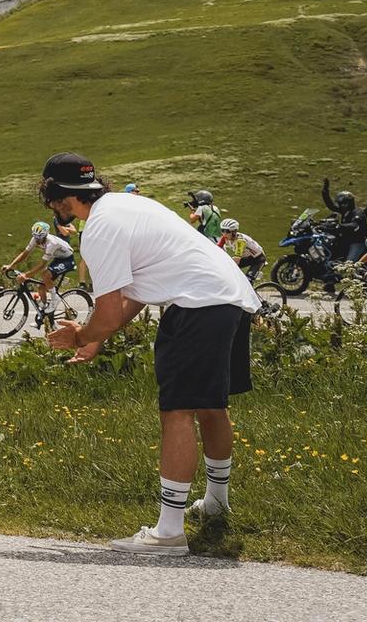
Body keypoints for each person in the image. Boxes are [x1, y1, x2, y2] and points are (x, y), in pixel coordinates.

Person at [40, 152, 260, 557]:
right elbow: (134, 295)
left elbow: (106, 312)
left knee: (177, 412)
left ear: (59, 198)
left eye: (52, 202)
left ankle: (169, 532)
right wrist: (97, 339)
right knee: (211, 406)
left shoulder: (100, 228)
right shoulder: (129, 205)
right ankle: (215, 503)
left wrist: (81, 335)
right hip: (230, 296)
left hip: (195, 304)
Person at [5, 221, 78, 310]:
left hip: (67, 259)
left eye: (40, 238)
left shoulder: (52, 243)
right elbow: (25, 253)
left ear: (45, 235)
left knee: (45, 275)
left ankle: (55, 299)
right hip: (57, 258)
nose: (37, 240)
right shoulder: (35, 239)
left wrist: (26, 275)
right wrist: (11, 265)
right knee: (41, 288)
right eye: (35, 237)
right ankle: (44, 313)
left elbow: (42, 264)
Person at [320, 179, 366, 263]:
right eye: (340, 204)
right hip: (346, 240)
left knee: (348, 264)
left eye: (343, 204)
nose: (340, 206)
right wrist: (325, 191)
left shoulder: (357, 212)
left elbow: (355, 225)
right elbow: (331, 206)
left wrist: (340, 226)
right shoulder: (345, 211)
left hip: (357, 242)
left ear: (348, 203)